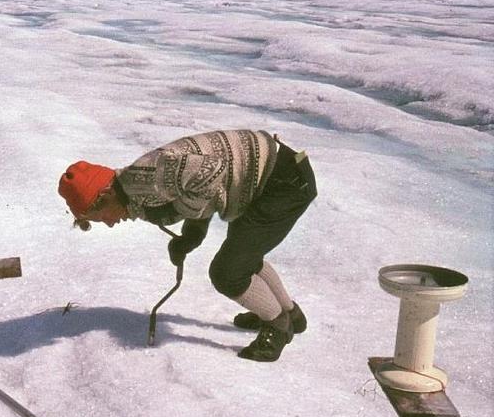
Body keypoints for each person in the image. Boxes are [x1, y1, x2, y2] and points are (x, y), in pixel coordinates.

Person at [57, 129, 317, 362]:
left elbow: (211, 174)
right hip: (273, 177)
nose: (110, 224)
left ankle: (278, 324)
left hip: (284, 182)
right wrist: (191, 236)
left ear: (104, 196)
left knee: (228, 273)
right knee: (244, 257)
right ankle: (291, 314)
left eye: (100, 218)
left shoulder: (146, 176)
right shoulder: (134, 191)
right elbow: (200, 190)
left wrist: (181, 211)